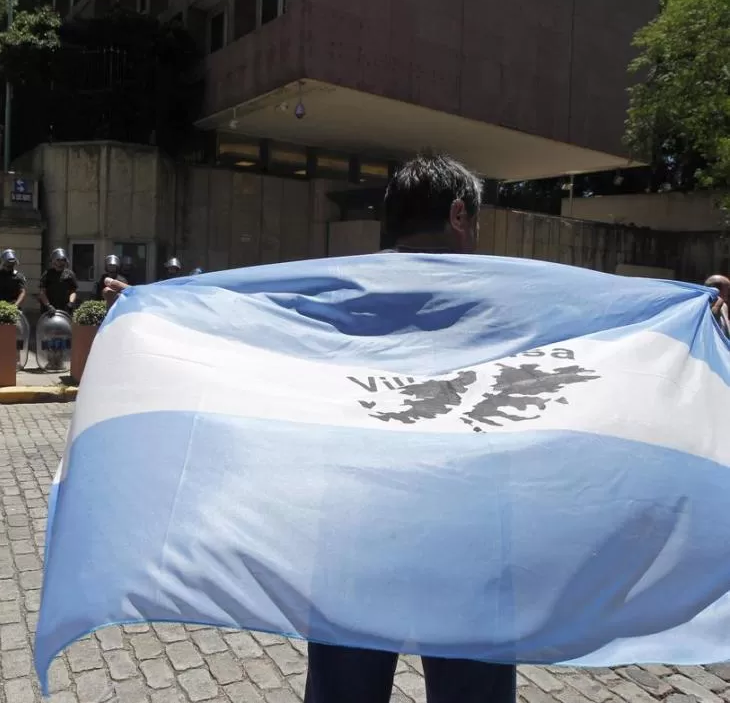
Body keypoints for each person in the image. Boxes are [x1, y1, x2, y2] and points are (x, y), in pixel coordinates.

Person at [102, 153, 516, 703]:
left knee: (346, 691)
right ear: (460, 214)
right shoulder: (500, 300)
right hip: (467, 526)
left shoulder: (340, 294)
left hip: (355, 524)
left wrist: (152, 310)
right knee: (473, 692)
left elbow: (246, 333)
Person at [39, 248, 79, 314]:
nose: (61, 262)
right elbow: (42, 292)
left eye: (63, 260)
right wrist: (48, 305)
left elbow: (73, 291)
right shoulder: (47, 274)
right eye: (58, 260)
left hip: (66, 309)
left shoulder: (70, 274)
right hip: (49, 310)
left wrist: (71, 303)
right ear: (53, 261)